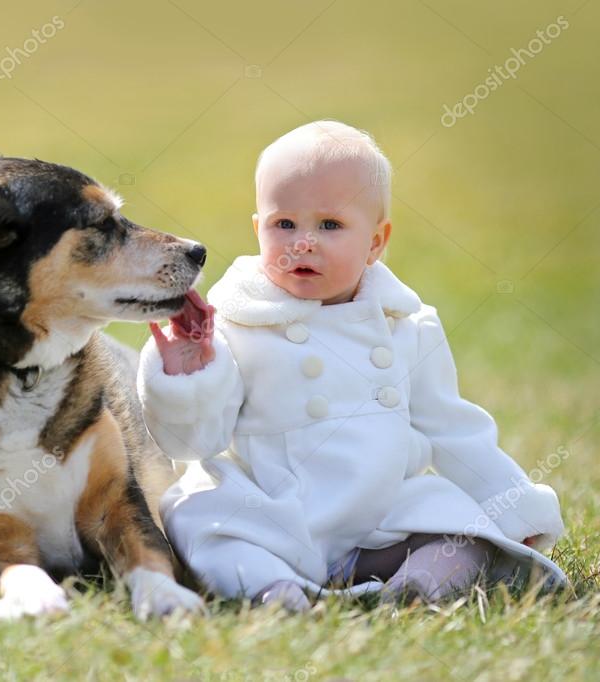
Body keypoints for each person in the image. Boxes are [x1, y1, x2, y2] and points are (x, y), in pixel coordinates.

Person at [137, 120, 567, 611]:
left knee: (465, 529)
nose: (303, 242)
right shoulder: (236, 324)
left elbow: (455, 430)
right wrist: (189, 375)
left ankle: (419, 586)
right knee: (198, 519)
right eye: (284, 224)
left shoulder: (406, 327)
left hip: (378, 521)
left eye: (330, 225)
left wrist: (514, 506)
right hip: (272, 513)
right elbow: (196, 442)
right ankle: (274, 591)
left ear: (377, 242)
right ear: (258, 230)